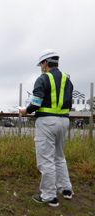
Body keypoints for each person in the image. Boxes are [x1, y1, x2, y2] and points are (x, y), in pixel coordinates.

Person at [20, 49, 74, 207]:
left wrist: (25, 111)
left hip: (47, 122)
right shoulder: (67, 79)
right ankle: (66, 189)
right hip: (64, 121)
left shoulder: (43, 78)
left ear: (45, 63)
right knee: (59, 156)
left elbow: (36, 103)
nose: (41, 68)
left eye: (41, 65)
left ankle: (49, 196)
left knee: (46, 159)